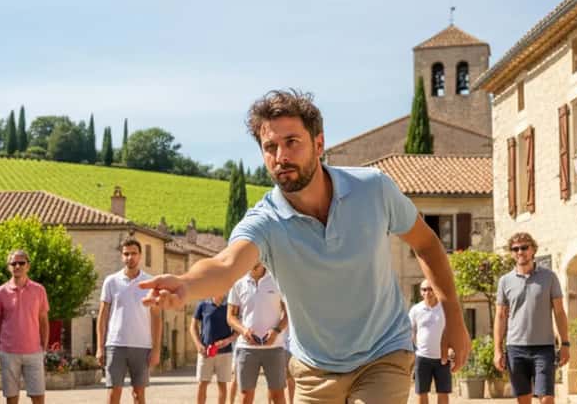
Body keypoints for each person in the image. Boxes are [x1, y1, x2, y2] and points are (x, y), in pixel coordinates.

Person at [139, 89, 470, 403]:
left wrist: (453, 315)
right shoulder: (265, 221)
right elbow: (226, 266)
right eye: (270, 147)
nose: (281, 156)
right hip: (313, 369)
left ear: (319, 143)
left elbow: (426, 243)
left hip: (383, 354)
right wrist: (184, 284)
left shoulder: (374, 190)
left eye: (292, 142)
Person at [494, 233, 570, 404]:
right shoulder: (505, 281)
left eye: (524, 247)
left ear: (533, 249)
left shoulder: (549, 277)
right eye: (515, 249)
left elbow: (559, 312)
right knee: (523, 399)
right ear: (511, 253)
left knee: (546, 399)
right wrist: (497, 350)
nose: (520, 252)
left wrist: (565, 343)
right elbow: (500, 316)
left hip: (543, 348)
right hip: (515, 348)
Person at [97, 237, 162, 404]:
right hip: (115, 344)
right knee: (113, 394)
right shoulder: (111, 281)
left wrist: (156, 350)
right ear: (121, 256)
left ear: (140, 256)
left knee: (139, 395)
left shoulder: (150, 283)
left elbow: (156, 318)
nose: (130, 257)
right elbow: (103, 316)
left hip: (142, 345)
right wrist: (99, 347)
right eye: (126, 254)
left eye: (133, 253)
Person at [0, 250, 50, 404]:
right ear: (8, 267)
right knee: (11, 398)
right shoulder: (0, 292)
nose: (17, 266)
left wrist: (43, 347)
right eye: (13, 263)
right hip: (9, 353)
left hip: (34, 352)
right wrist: (1, 347)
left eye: (21, 263)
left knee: (38, 397)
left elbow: (44, 321)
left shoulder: (39, 290)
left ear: (28, 266)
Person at [228, 263, 287, 404]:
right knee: (245, 396)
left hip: (275, 347)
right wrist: (243, 330)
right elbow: (230, 316)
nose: (254, 262)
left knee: (277, 395)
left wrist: (276, 331)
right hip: (246, 348)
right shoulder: (238, 282)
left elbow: (288, 313)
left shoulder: (278, 280)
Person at [410, 279, 451, 404]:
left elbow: (452, 330)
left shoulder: (445, 308)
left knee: (443, 393)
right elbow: (409, 332)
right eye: (424, 289)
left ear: (435, 290)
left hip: (443, 358)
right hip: (422, 358)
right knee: (421, 393)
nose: (428, 292)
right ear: (421, 292)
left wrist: (451, 350)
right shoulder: (415, 310)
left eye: (430, 289)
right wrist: (412, 354)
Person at [191, 294, 236, 404]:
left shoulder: (230, 305)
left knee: (222, 384)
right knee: (202, 384)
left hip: (225, 353)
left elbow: (237, 329)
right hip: (205, 352)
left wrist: (227, 341)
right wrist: (198, 345)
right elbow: (193, 326)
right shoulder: (203, 303)